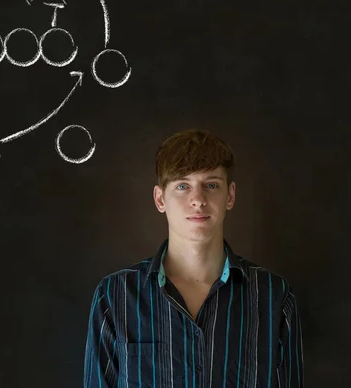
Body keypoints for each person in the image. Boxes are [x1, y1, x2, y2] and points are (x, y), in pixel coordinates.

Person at [83, 129, 304, 387]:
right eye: (182, 186)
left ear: (230, 196)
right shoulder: (114, 296)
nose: (198, 199)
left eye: (211, 185)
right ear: (159, 199)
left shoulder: (273, 297)